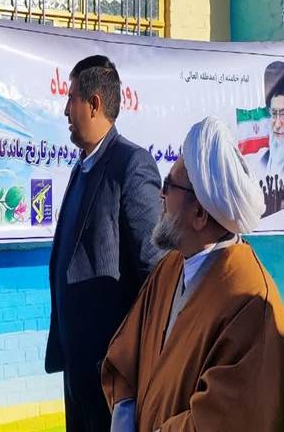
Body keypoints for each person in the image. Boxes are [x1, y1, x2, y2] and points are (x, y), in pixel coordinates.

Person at [102, 116, 284, 432]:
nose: (160, 195)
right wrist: (125, 419)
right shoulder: (169, 269)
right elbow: (125, 359)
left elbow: (227, 418)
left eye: (169, 185)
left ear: (199, 213)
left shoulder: (251, 302)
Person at [45, 55, 165, 431]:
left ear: (94, 103)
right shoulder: (82, 166)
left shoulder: (131, 165)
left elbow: (157, 271)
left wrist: (134, 362)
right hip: (77, 369)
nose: (66, 110)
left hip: (111, 373)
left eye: (71, 99)